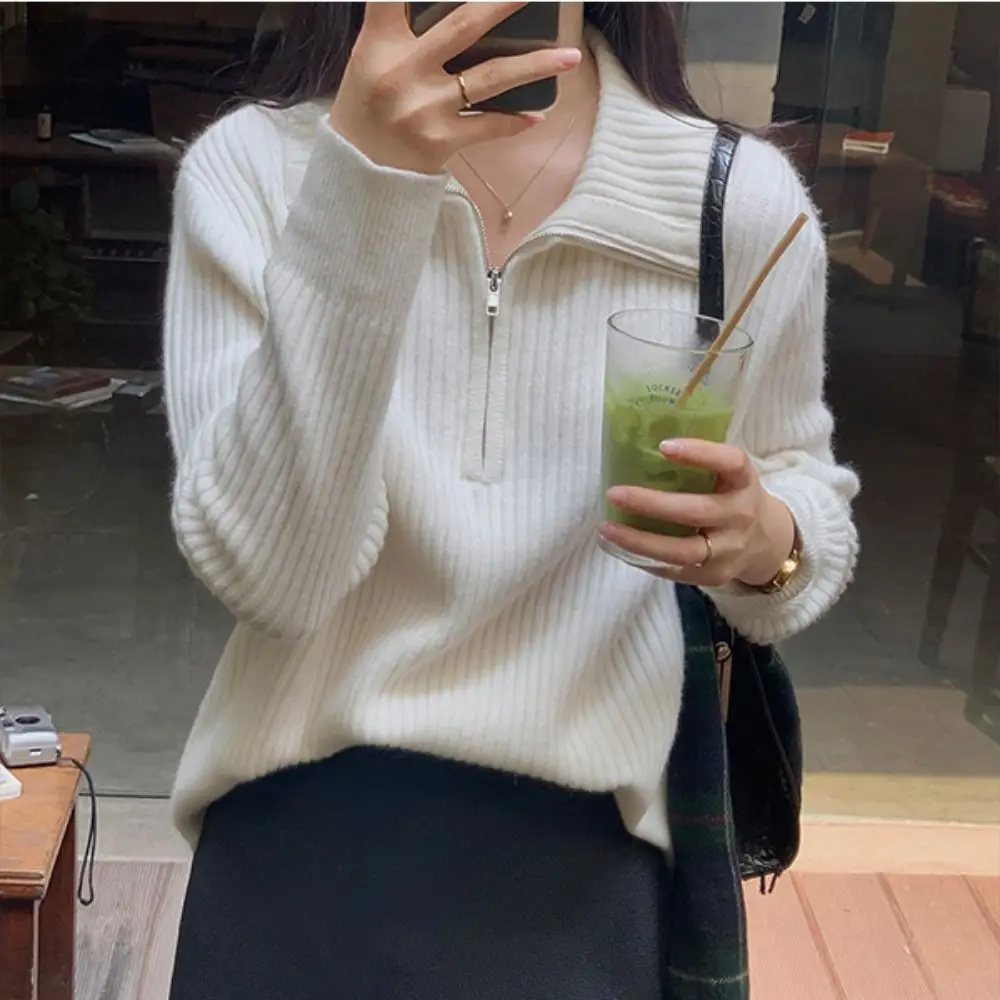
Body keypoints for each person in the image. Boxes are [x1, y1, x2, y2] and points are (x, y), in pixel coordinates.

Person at [164, 3, 859, 998]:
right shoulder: (255, 173)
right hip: (292, 852)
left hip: (585, 876)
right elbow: (273, 580)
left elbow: (799, 487)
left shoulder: (730, 200)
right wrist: (363, 185)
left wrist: (762, 543)